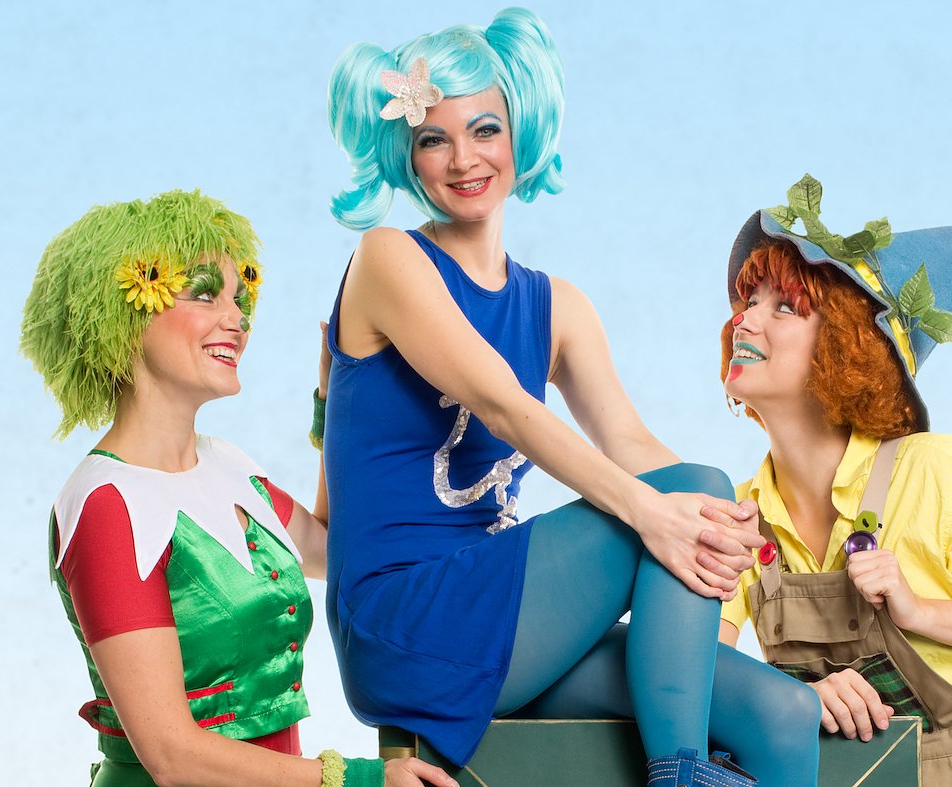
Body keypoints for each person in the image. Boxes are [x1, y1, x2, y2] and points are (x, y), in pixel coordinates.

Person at [320, 9, 821, 786]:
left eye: (485, 130)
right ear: (408, 156)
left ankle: (688, 761)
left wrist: (727, 524)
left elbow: (635, 448)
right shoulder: (387, 258)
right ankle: (681, 773)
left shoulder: (558, 306)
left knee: (782, 711)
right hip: (409, 622)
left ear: (521, 131)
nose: (463, 159)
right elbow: (505, 407)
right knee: (686, 494)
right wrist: (664, 510)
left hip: (514, 622)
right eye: (433, 140)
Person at [22, 190, 455, 787]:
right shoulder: (104, 505)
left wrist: (335, 401)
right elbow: (172, 755)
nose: (238, 319)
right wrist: (359, 779)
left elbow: (335, 548)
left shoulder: (227, 466)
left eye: (239, 298)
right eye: (205, 294)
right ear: (123, 315)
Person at [717, 176, 952, 785]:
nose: (744, 322)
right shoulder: (738, 513)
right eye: (748, 302)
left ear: (845, 348)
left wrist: (919, 612)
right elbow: (702, 665)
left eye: (784, 307)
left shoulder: (935, 470)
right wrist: (792, 699)